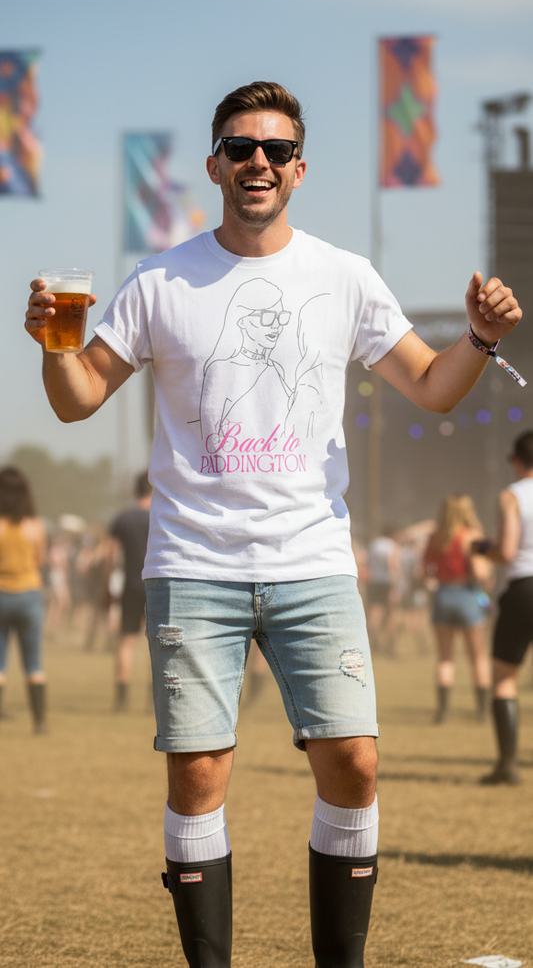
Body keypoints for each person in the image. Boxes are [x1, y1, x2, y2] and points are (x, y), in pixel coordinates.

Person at [25, 81, 521, 968]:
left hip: (311, 560)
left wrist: (478, 341)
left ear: (300, 169)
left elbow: (433, 386)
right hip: (192, 561)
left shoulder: (343, 276)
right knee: (197, 776)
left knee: (356, 765)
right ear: (214, 164)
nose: (259, 162)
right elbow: (78, 401)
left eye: (276, 149)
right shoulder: (160, 280)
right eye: (240, 147)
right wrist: (57, 348)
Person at [480, 431, 533, 785]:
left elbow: (508, 551)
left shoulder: (512, 495)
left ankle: (508, 766)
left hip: (524, 588)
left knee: (504, 679)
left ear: (516, 459)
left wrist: (483, 548)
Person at [424, 496, 492, 723]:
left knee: (445, 658)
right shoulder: (473, 536)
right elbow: (481, 573)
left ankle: (442, 712)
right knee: (478, 657)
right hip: (468, 595)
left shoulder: (435, 536)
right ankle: (482, 712)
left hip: (443, 595)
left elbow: (425, 569)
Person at [0, 467, 47, 732]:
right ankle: (39, 723)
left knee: (0, 661)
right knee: (34, 662)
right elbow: (40, 561)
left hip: (1, 595)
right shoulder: (35, 525)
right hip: (29, 595)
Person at [108, 471, 152, 712]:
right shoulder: (160, 515)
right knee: (156, 643)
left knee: (126, 641)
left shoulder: (123, 517)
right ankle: (153, 700)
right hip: (156, 586)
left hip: (130, 586)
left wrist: (106, 588)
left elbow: (110, 556)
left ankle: (122, 699)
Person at [366, 529, 401, 655]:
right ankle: (390, 646)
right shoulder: (392, 545)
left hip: (373, 582)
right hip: (387, 583)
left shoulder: (374, 544)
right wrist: (395, 587)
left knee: (374, 612)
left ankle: (372, 642)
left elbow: (368, 563)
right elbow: (393, 565)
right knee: (392, 614)